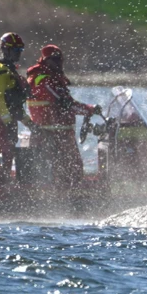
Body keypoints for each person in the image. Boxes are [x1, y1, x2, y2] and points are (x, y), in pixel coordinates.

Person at [26, 44, 99, 188]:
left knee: (71, 169)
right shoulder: (43, 79)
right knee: (67, 170)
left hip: (60, 133)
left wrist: (88, 110)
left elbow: (66, 103)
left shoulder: (52, 78)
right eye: (54, 59)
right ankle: (72, 199)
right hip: (51, 134)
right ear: (45, 60)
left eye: (59, 59)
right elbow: (65, 103)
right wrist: (90, 109)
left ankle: (72, 195)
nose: (58, 62)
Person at [0, 32, 30, 166]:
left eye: (20, 50)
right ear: (5, 49)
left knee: (9, 154)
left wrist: (30, 124)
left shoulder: (11, 71)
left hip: (7, 119)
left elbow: (15, 106)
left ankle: (7, 181)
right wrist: (7, 121)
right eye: (15, 50)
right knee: (3, 154)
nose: (18, 53)